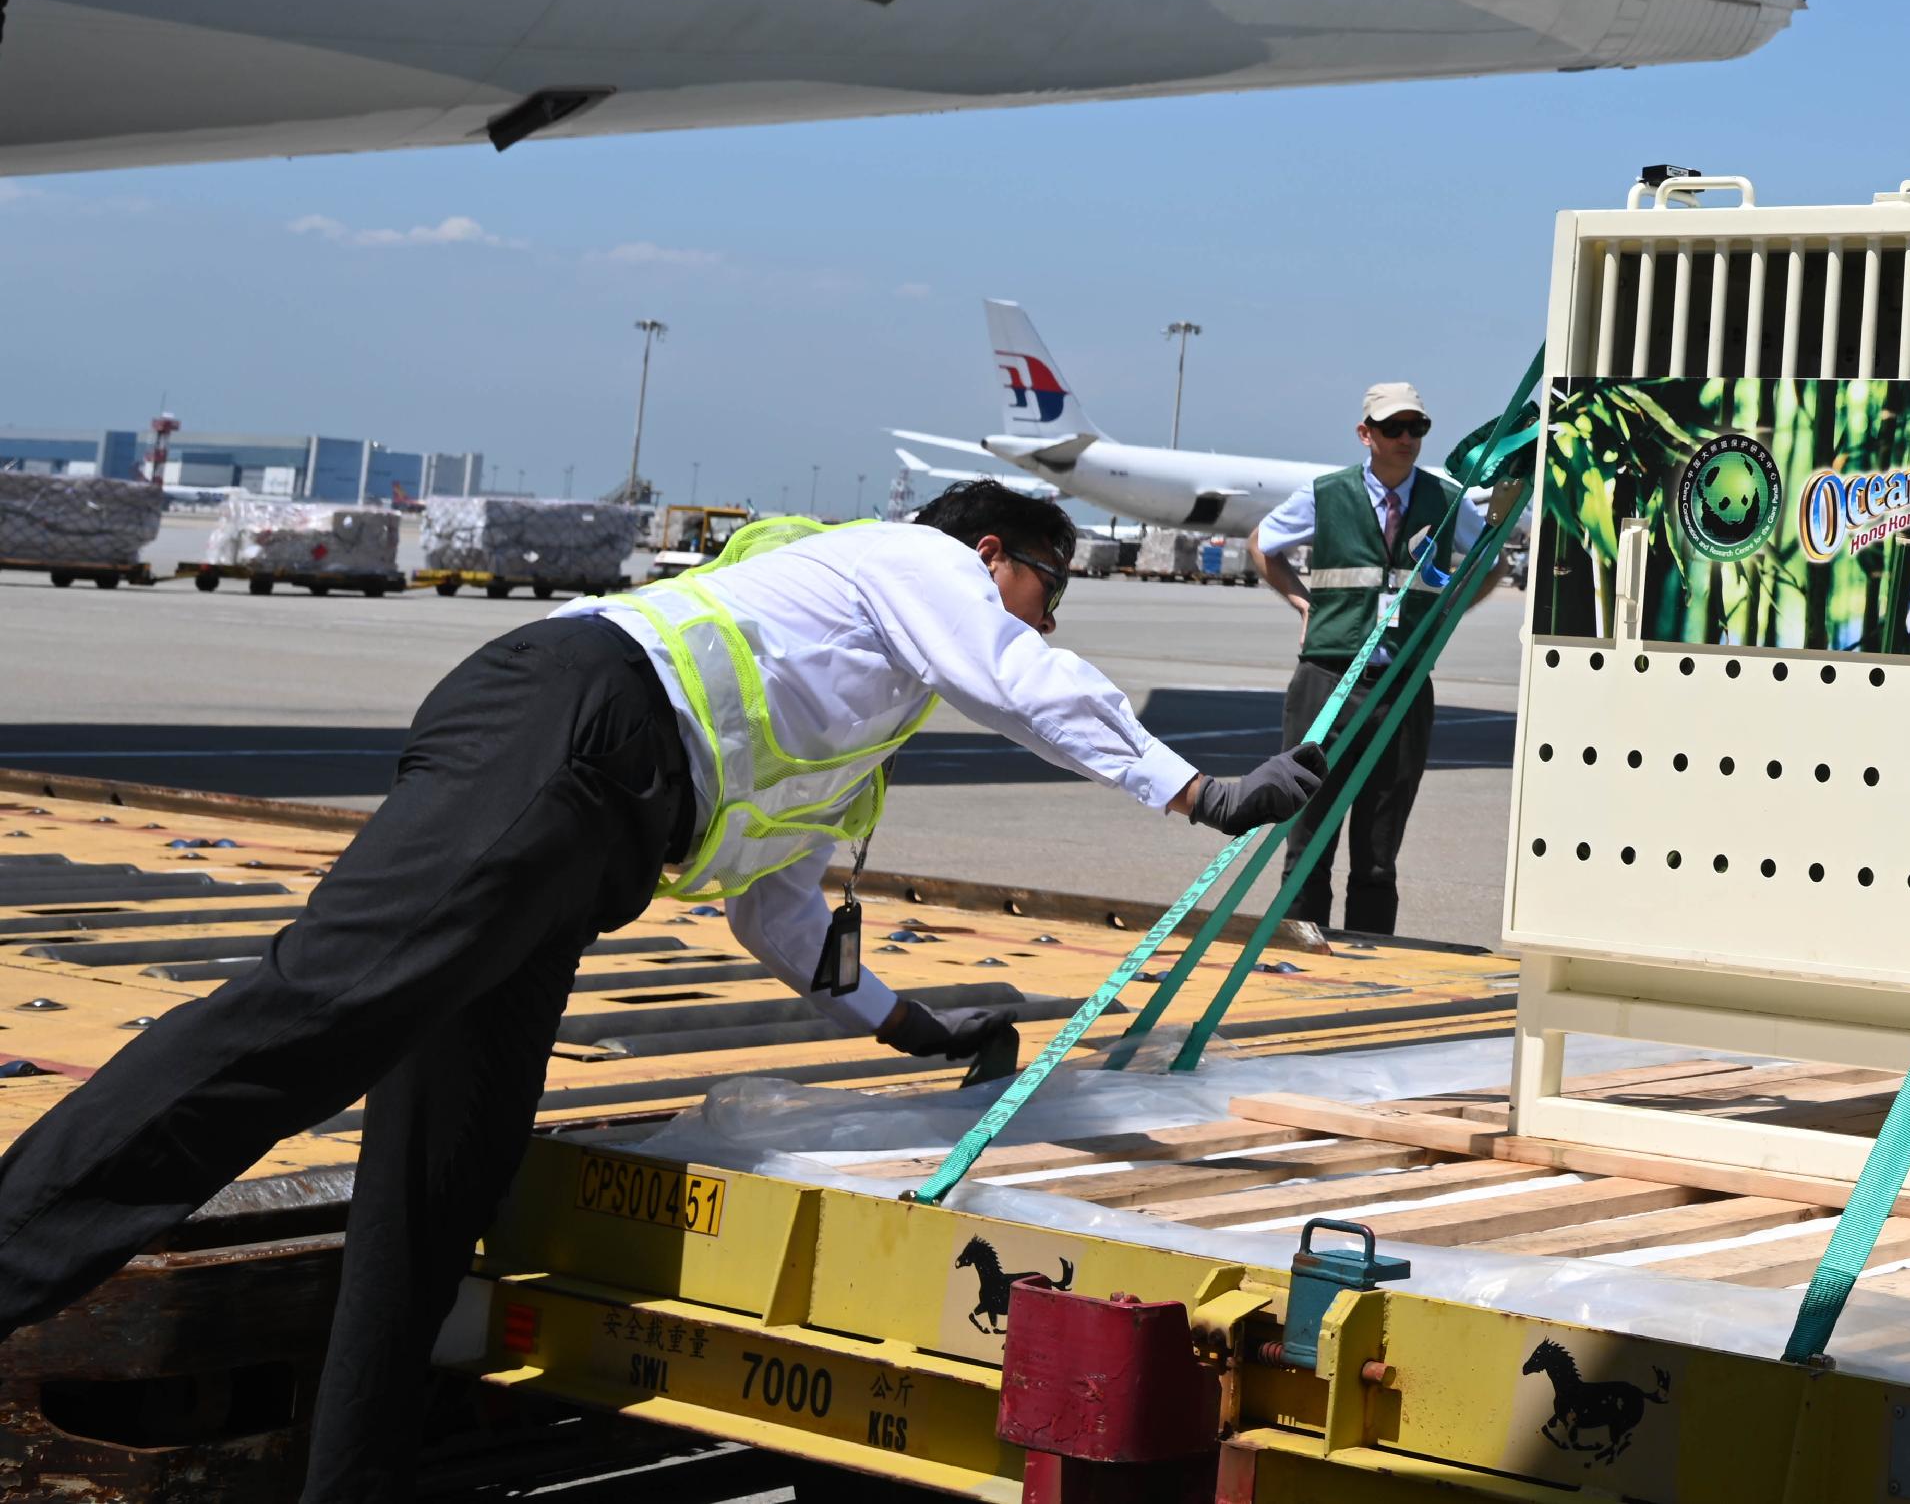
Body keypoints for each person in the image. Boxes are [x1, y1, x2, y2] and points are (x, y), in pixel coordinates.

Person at [0, 479, 1319, 1504]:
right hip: (568, 728)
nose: (1048, 613)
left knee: (443, 1173)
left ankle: (352, 1482)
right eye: (1049, 582)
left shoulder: (850, 717)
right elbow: (1020, 676)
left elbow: (780, 908)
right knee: (320, 1014)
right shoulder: (913, 557)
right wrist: (1195, 787)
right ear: (989, 552)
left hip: (592, 823)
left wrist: (920, 1025)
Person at [1250, 380, 1485, 939]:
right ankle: (1297, 961)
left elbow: (1488, 555)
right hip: (1326, 682)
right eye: (1393, 428)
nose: (1407, 438)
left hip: (1402, 688)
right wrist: (1301, 602)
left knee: (1379, 852)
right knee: (1307, 839)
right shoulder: (1326, 495)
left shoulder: (1446, 499)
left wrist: (1447, 612)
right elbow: (1261, 544)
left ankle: (1371, 957)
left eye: (1416, 428)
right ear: (1366, 434)